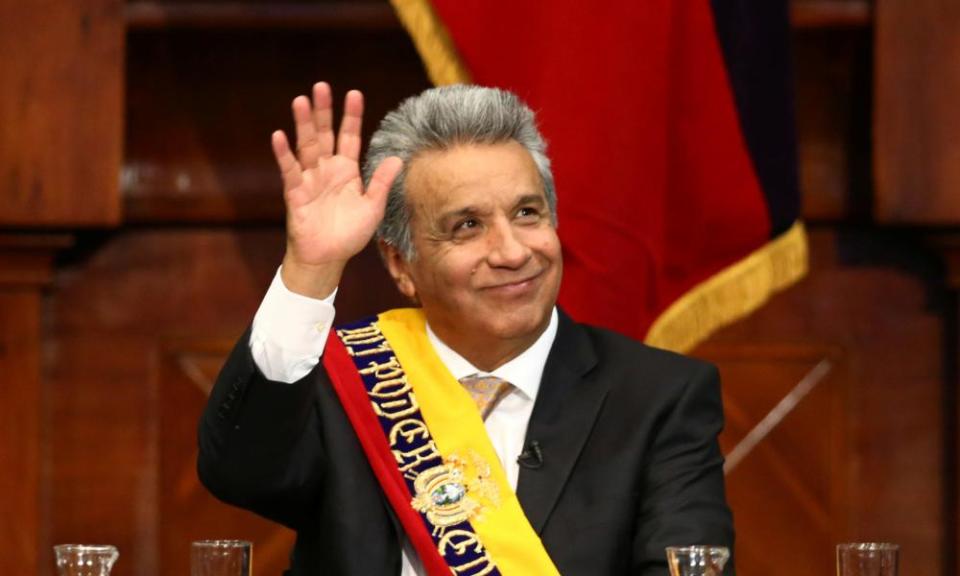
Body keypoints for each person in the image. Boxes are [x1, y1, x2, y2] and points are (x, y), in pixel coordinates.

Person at [198, 82, 735, 575]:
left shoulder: (659, 398)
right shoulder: (344, 381)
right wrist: (311, 271)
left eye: (528, 213)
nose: (512, 251)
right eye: (468, 226)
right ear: (401, 266)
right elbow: (240, 473)